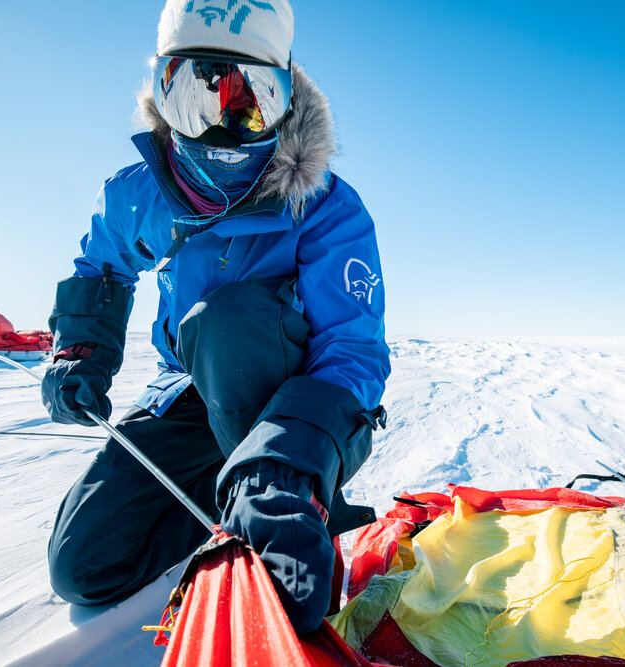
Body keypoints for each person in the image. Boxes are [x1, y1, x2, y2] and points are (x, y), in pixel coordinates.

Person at [40, 0, 389, 634]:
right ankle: (228, 492)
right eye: (194, 99)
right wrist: (80, 352)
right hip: (188, 392)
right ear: (160, 92)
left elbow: (351, 344)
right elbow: (102, 266)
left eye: (249, 100)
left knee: (225, 320)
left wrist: (286, 462)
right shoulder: (139, 193)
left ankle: (289, 495)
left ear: (284, 103)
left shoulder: (323, 209)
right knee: (84, 567)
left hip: (286, 401)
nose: (220, 129)